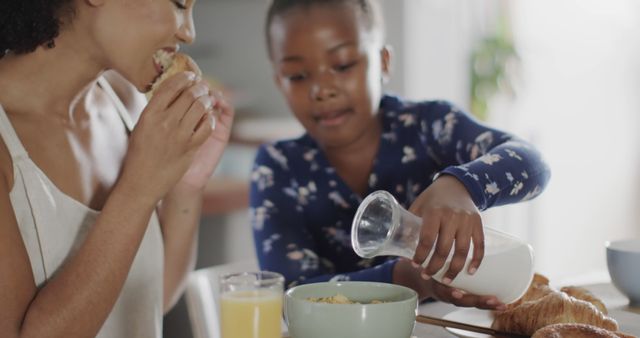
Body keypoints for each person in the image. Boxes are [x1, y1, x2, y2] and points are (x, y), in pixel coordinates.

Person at [250, 0, 550, 311]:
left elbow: (531, 162)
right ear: (279, 83)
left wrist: (461, 186)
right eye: (298, 76)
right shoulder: (278, 167)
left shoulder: (429, 126)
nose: (322, 89)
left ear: (383, 62)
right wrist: (412, 279)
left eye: (342, 65)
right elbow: (290, 297)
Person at [0, 0, 234, 337]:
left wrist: (186, 184)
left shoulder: (126, 103)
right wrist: (138, 189)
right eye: (180, 4)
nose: (189, 32)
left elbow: (151, 299)